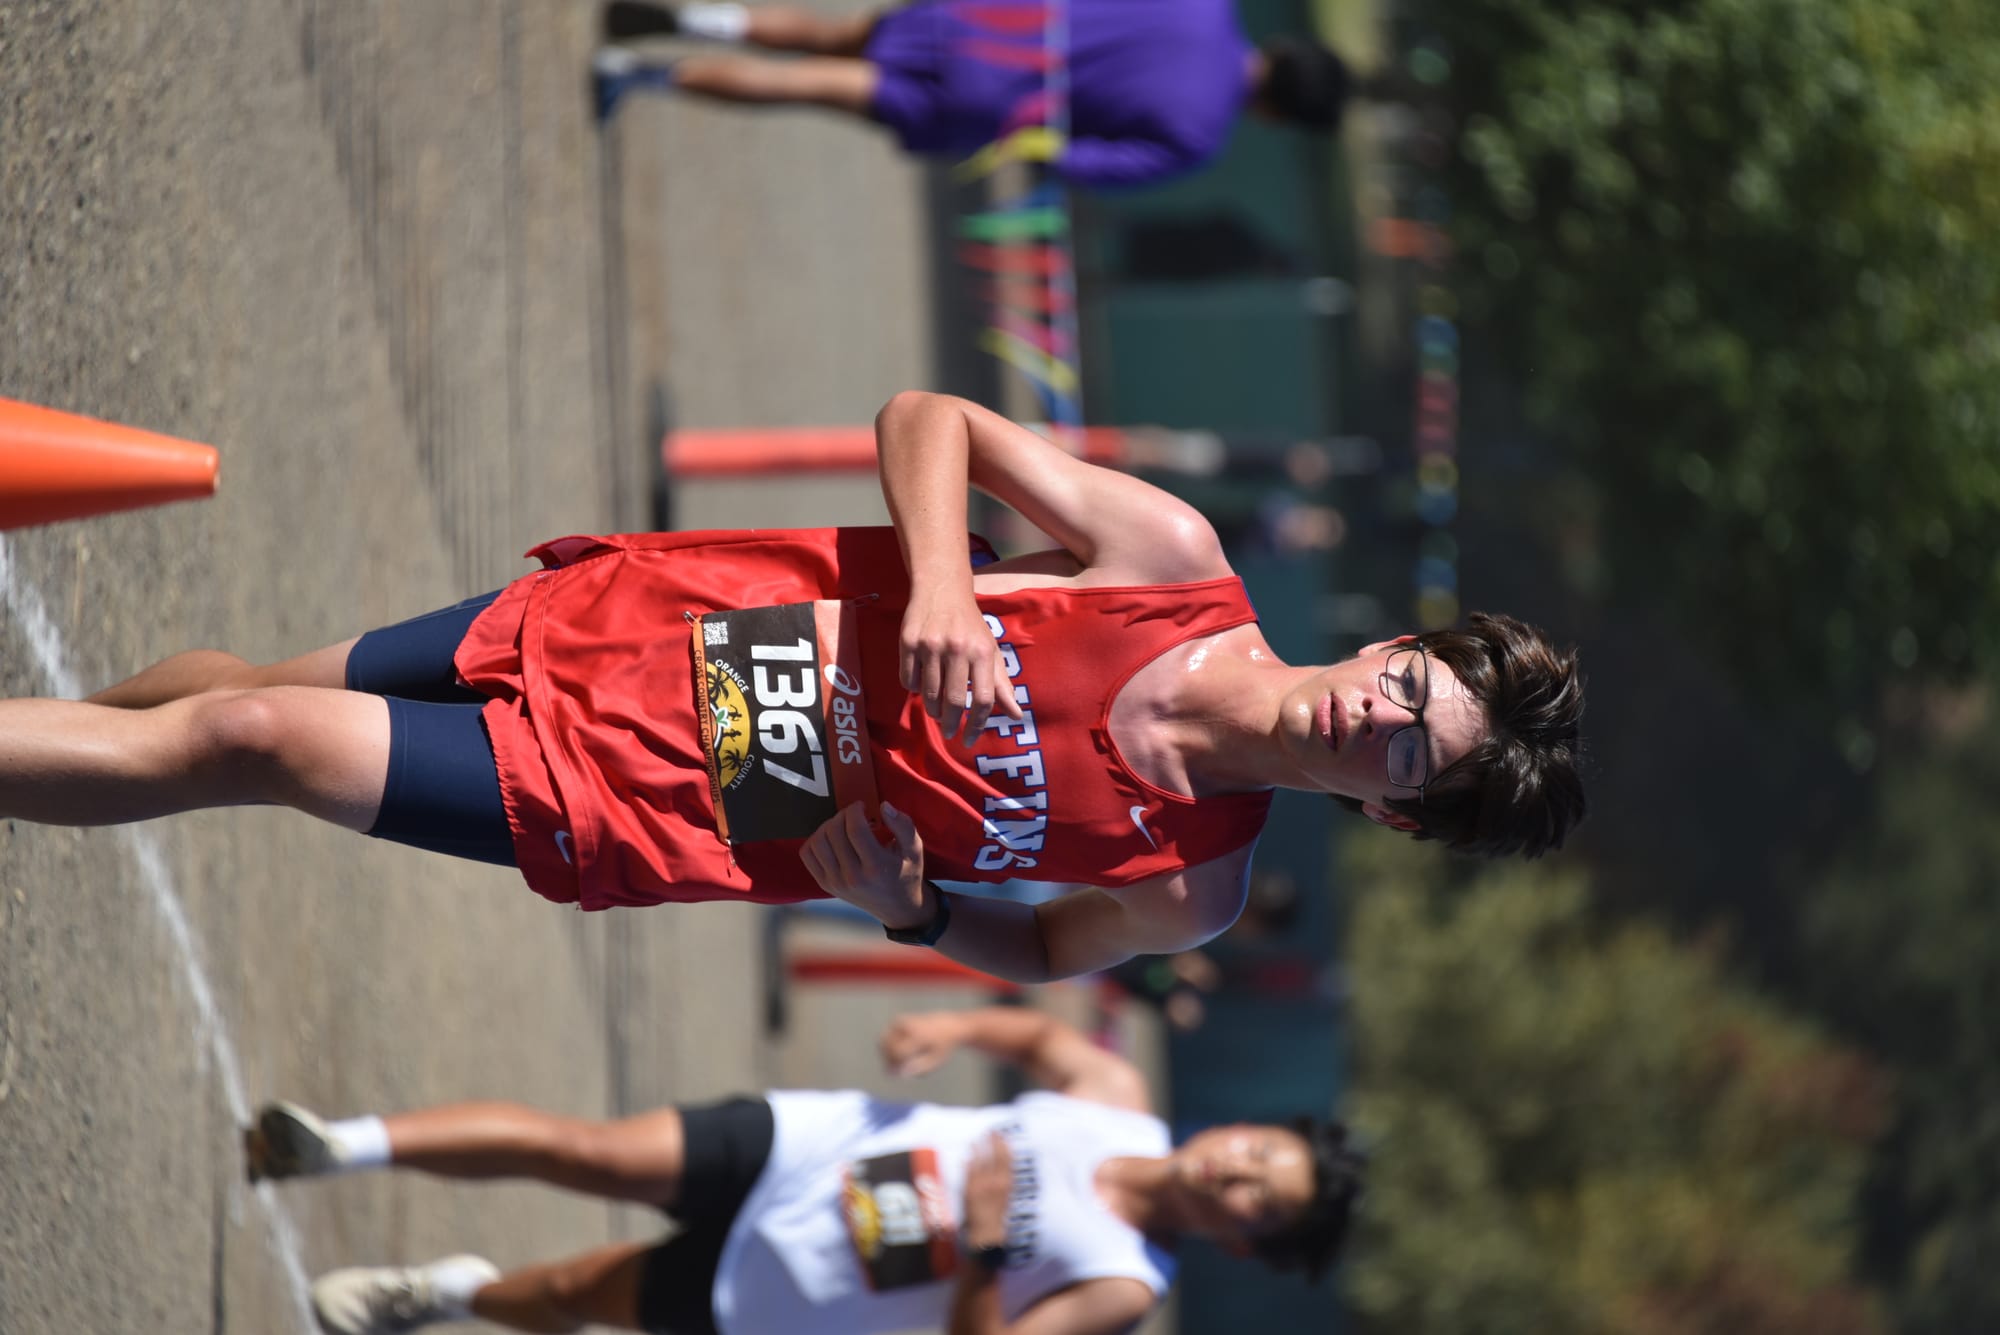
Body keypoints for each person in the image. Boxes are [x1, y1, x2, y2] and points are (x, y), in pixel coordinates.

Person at [0, 390, 1586, 981]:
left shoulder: (1195, 885)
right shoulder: (1168, 555)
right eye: (1406, 689)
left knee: (257, 736)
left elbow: (1045, 947)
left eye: (1407, 755)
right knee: (241, 701)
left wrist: (915, 912)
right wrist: (947, 581)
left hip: (673, 801)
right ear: (1390, 646)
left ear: (1396, 814)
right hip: (657, 628)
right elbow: (931, 419)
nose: (1373, 720)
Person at [246, 1005, 1363, 1335]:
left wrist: (984, 1248)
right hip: (813, 1144)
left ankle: (445, 1293)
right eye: (1257, 1154)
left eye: (1258, 1200)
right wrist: (950, 1026)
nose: (1237, 1173)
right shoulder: (1116, 1100)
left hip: (798, 1287)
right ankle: (343, 1144)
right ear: (1241, 1127)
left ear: (1242, 1242)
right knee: (587, 1151)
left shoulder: (1124, 1283)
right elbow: (1038, 1037)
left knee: (575, 1293)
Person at [590, 0, 1401, 190]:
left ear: (1286, 50)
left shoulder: (1205, 7)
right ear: (1279, 115)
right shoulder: (1196, 139)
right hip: (994, 101)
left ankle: (700, 18)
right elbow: (1074, 161)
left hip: (993, 18)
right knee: (810, 88)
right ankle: (641, 74)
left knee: (833, 34)